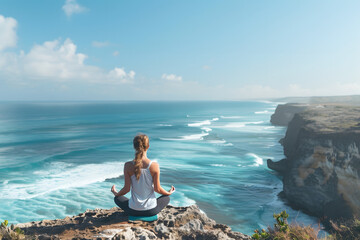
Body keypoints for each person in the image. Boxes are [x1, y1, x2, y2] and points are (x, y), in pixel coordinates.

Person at [111, 134, 175, 216]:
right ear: (148, 146)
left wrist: (116, 193)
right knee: (166, 198)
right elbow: (157, 189)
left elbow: (126, 189)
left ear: (134, 147)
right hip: (151, 211)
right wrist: (168, 193)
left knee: (117, 198)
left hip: (133, 210)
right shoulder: (154, 165)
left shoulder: (128, 165)